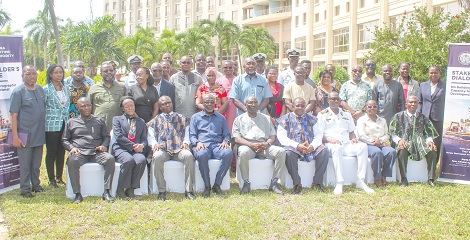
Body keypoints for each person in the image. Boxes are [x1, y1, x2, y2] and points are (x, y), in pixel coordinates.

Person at [313, 92, 375, 195]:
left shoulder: (346, 114)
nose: (336, 101)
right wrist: (330, 140)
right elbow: (319, 135)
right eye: (333, 99)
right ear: (328, 100)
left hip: (346, 144)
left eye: (337, 99)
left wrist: (354, 138)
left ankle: (361, 180)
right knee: (337, 148)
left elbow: (351, 132)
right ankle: (339, 182)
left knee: (362, 146)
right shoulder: (322, 114)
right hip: (330, 144)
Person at [63, 97, 115, 204]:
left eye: (88, 105)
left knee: (110, 159)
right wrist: (71, 148)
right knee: (72, 162)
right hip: (80, 152)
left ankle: (107, 192)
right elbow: (64, 140)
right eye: (83, 106)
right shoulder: (71, 122)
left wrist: (104, 146)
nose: (87, 108)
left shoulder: (99, 121)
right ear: (78, 108)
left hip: (96, 152)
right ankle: (77, 194)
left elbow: (106, 137)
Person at [233, 96, 286, 195]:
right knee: (243, 152)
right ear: (245, 105)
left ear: (258, 105)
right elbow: (236, 138)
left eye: (255, 102)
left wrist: (267, 143)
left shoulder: (266, 118)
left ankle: (274, 183)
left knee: (281, 152)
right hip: (248, 146)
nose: (253, 105)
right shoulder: (239, 119)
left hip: (264, 146)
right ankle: (246, 182)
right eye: (250, 102)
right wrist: (251, 145)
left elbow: (272, 136)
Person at [277, 97, 329, 194]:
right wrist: (297, 146)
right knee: (288, 154)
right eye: (298, 105)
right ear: (292, 106)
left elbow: (319, 135)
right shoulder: (284, 119)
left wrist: (312, 146)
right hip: (293, 147)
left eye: (302, 106)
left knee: (324, 151)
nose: (300, 108)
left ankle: (317, 183)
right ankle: (297, 184)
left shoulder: (312, 119)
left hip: (310, 146)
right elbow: (282, 138)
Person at [10, 65, 46, 198]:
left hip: (39, 134)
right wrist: (15, 136)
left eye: (34, 74)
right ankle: (25, 188)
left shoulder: (40, 90)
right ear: (22, 76)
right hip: (24, 135)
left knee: (36, 163)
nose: (32, 77)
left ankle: (36, 185)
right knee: (25, 164)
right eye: (28, 74)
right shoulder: (18, 92)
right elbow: (13, 115)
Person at [150, 96, 196, 200]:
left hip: (179, 148)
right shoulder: (156, 119)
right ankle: (161, 190)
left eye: (169, 103)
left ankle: (188, 190)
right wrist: (154, 144)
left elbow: (188, 133)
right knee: (157, 157)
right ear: (160, 107)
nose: (167, 105)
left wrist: (185, 142)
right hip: (163, 149)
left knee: (188, 156)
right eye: (164, 104)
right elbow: (151, 135)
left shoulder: (181, 117)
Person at [389, 96, 439, 187]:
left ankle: (431, 179)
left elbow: (428, 132)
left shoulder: (423, 117)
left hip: (420, 143)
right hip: (405, 142)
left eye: (415, 102)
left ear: (417, 104)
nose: (413, 104)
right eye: (411, 102)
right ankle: (404, 179)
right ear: (406, 104)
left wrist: (430, 141)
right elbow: (392, 132)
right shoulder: (398, 116)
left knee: (432, 150)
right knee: (402, 150)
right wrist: (399, 141)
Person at [190, 94, 233, 197]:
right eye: (206, 102)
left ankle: (217, 184)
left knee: (228, 153)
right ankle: (207, 186)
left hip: (217, 146)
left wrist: (225, 141)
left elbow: (227, 134)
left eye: (211, 102)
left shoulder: (221, 118)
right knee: (201, 154)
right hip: (202, 145)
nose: (209, 104)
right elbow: (192, 135)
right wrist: (197, 143)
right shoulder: (195, 117)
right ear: (203, 104)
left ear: (215, 103)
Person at [112, 97, 148, 199]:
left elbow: (144, 139)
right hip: (121, 148)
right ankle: (120, 188)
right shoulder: (117, 119)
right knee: (128, 160)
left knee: (141, 160)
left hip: (136, 149)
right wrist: (132, 146)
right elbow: (118, 136)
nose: (130, 108)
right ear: (123, 108)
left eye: (131, 105)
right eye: (127, 106)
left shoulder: (141, 121)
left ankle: (131, 188)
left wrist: (142, 145)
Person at [357, 100, 396, 187]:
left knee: (391, 152)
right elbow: (361, 135)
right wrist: (373, 141)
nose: (372, 108)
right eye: (369, 106)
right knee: (377, 153)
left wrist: (380, 141)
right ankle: (377, 177)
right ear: (365, 108)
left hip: (381, 143)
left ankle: (384, 176)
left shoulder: (382, 120)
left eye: (374, 106)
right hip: (368, 144)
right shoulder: (361, 120)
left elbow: (387, 134)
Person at [43, 64, 70, 188]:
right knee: (52, 152)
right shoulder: (46, 89)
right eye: (56, 72)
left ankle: (59, 177)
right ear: (50, 74)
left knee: (61, 151)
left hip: (64, 123)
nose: (59, 75)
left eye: (60, 72)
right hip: (52, 124)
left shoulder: (65, 88)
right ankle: (51, 179)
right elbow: (43, 107)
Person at [88, 61, 126, 131]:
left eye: (111, 70)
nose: (109, 72)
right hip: (99, 125)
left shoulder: (122, 87)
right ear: (101, 74)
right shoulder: (94, 88)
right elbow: (88, 107)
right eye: (106, 71)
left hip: (118, 126)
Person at [418, 65, 446, 159]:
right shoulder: (422, 85)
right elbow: (420, 102)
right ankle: (423, 166)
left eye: (435, 72)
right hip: (424, 118)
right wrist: (418, 116)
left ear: (439, 74)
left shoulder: (444, 86)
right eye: (431, 72)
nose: (433, 74)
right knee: (424, 141)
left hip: (438, 119)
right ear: (428, 73)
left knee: (436, 143)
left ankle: (433, 168)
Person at [216, 60, 237, 131]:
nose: (228, 69)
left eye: (230, 67)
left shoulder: (237, 80)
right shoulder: (218, 81)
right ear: (222, 68)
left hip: (234, 107)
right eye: (225, 67)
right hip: (222, 107)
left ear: (233, 68)